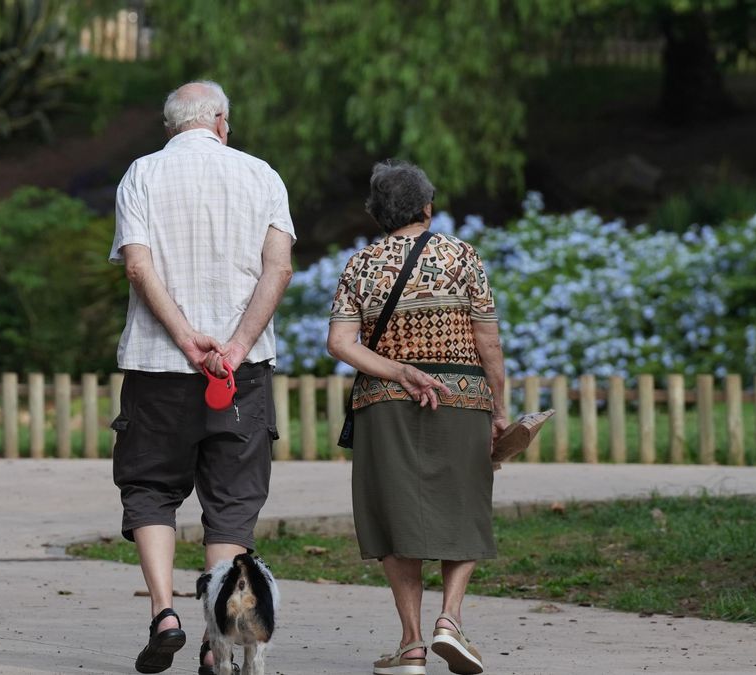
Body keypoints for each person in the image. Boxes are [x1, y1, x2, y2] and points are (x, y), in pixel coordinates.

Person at [108, 80, 295, 675]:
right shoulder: (263, 176)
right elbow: (280, 268)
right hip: (240, 374)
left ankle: (165, 612)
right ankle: (220, 644)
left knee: (150, 488)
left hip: (158, 367)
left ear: (172, 127)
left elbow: (137, 266)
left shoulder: (140, 174)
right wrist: (236, 346)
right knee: (232, 504)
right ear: (221, 122)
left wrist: (188, 340)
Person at [326, 160, 508, 675]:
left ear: (379, 213)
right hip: (461, 396)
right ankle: (449, 621)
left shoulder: (361, 264)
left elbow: (340, 344)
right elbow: (487, 340)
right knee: (465, 503)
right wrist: (498, 407)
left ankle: (410, 645)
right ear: (428, 207)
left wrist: (397, 370)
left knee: (394, 514)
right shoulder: (463, 257)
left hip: (383, 403)